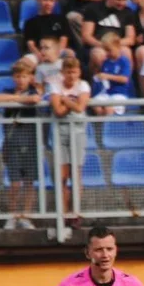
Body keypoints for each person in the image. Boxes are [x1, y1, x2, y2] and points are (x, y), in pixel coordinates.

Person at [0, 61, 42, 229]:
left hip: (30, 142)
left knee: (29, 181)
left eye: (24, 76)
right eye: (18, 76)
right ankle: (13, 215)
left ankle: (26, 215)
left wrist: (26, 98)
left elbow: (36, 98)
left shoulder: (35, 90)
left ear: (30, 77)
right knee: (15, 182)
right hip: (12, 142)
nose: (21, 80)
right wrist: (21, 99)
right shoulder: (8, 92)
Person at [48, 56, 90, 226]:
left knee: (76, 175)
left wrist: (65, 100)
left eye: (74, 72)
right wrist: (70, 102)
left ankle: (76, 213)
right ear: (63, 72)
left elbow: (81, 108)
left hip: (78, 133)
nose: (71, 76)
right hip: (60, 132)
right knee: (62, 176)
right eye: (68, 72)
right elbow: (57, 111)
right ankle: (63, 214)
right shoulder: (55, 85)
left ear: (79, 72)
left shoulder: (83, 85)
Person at [80, 0, 135, 77]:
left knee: (126, 52)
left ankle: (126, 87)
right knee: (99, 55)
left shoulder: (128, 12)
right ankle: (99, 85)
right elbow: (86, 36)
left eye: (125, 0)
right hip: (98, 45)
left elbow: (130, 38)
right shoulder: (93, 9)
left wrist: (114, 46)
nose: (122, 3)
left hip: (118, 46)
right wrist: (103, 45)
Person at [21, 0, 76, 71]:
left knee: (70, 54)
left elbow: (63, 39)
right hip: (39, 52)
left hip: (58, 52)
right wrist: (39, 55)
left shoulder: (61, 19)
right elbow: (30, 43)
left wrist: (55, 55)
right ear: (38, 0)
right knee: (24, 63)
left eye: (51, 0)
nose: (48, 3)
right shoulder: (30, 22)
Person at [90, 31, 131, 116]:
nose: (107, 53)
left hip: (119, 94)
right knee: (94, 104)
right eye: (105, 50)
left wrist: (108, 77)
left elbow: (124, 79)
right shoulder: (105, 62)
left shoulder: (124, 61)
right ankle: (101, 126)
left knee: (109, 108)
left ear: (118, 46)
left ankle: (107, 128)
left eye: (109, 50)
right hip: (106, 93)